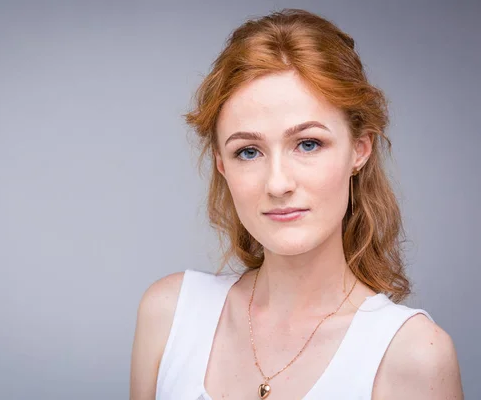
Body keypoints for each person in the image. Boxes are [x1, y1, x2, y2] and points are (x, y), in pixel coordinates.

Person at [129, 8, 463, 400]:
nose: (278, 183)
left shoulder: (413, 355)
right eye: (248, 152)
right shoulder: (168, 314)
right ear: (221, 165)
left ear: (359, 149)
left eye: (308, 144)